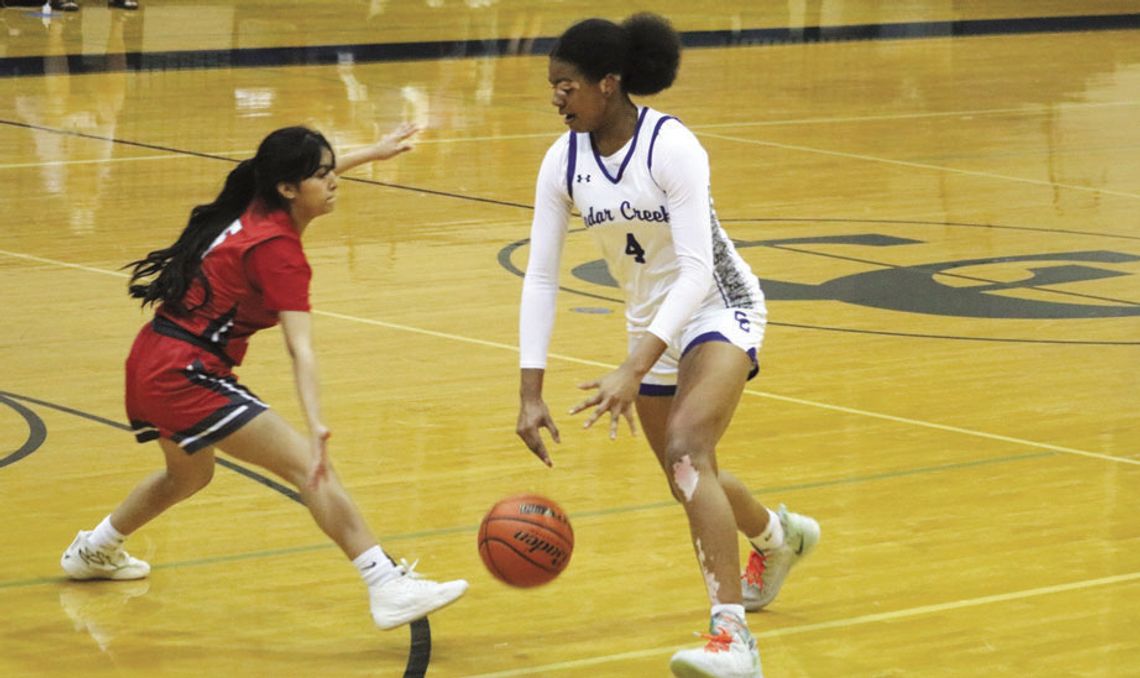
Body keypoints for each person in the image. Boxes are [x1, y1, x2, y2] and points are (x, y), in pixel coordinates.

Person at [60, 122, 467, 632]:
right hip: (183, 372)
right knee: (310, 467)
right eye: (322, 174)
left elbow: (304, 174)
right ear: (290, 188)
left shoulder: (258, 201)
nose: (333, 180)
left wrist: (372, 153)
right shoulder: (277, 252)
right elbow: (301, 349)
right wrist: (315, 424)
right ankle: (386, 584)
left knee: (188, 474)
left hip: (152, 359)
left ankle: (95, 549)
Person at [515, 14, 820, 678]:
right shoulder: (561, 162)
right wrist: (529, 391)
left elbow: (698, 271)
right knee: (691, 476)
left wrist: (634, 366)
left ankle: (732, 639)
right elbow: (540, 276)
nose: (556, 98)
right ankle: (778, 536)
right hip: (650, 322)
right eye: (552, 86)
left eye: (567, 86)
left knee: (687, 452)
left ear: (608, 83)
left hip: (720, 309)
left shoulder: (670, 146)